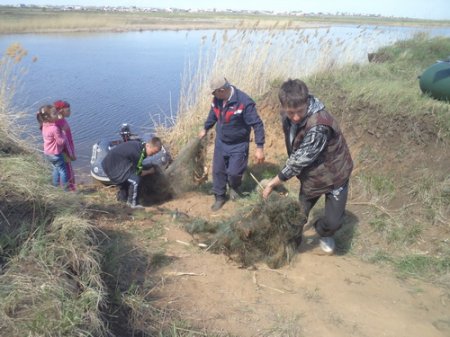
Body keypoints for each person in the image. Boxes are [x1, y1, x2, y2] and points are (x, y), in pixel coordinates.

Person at [262, 79, 353, 254]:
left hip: (336, 175)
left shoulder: (319, 124)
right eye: (290, 112)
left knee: (333, 222)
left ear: (307, 101)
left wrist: (274, 181)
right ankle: (292, 242)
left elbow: (301, 158)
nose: (295, 117)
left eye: (300, 111)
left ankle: (323, 231)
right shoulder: (287, 116)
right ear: (283, 107)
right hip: (312, 176)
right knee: (299, 215)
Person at [198, 76, 265, 211]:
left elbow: (257, 125)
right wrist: (205, 128)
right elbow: (213, 115)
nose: (213, 95)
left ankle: (234, 186)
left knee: (234, 173)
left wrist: (259, 147)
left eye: (214, 92)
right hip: (221, 142)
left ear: (222, 90)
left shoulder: (244, 102)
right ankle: (220, 196)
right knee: (218, 171)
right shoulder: (217, 100)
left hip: (238, 145)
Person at [101, 137, 162, 209]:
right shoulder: (139, 153)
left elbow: (136, 165)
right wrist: (150, 171)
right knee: (135, 180)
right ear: (148, 145)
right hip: (113, 168)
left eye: (156, 153)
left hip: (112, 163)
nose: (153, 154)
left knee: (126, 181)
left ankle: (122, 200)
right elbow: (139, 173)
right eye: (153, 152)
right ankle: (132, 204)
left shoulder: (141, 146)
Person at [37, 104, 70, 190]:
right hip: (56, 154)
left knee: (55, 169)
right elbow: (60, 142)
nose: (57, 115)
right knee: (63, 171)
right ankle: (65, 190)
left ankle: (55, 187)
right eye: (55, 114)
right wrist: (64, 135)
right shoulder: (54, 128)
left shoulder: (44, 124)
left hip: (48, 153)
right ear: (48, 117)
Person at [54, 100, 76, 191]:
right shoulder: (62, 123)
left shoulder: (56, 121)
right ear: (61, 110)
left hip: (56, 151)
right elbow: (65, 140)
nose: (70, 112)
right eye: (68, 110)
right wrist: (71, 154)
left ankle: (56, 187)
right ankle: (70, 189)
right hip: (65, 151)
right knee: (68, 171)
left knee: (57, 169)